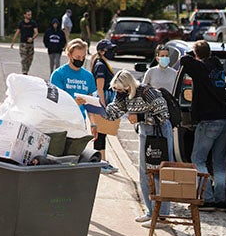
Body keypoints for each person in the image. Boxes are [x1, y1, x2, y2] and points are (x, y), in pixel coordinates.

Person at [98, 69, 172, 224]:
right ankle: (151, 211)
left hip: (160, 133)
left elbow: (164, 116)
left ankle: (161, 215)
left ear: (129, 86)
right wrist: (94, 107)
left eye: (121, 90)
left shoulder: (148, 92)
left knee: (159, 173)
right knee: (144, 172)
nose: (119, 93)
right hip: (145, 131)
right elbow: (114, 112)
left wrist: (140, 117)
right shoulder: (123, 94)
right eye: (117, 90)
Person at [178, 40, 226, 210]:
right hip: (224, 118)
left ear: (196, 54)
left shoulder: (200, 68)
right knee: (219, 161)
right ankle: (220, 200)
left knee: (198, 159)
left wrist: (189, 54)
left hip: (209, 120)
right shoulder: (218, 67)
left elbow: (184, 62)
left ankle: (206, 198)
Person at [88, 39, 118, 173]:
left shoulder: (104, 64)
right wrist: (103, 105)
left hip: (106, 98)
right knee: (100, 133)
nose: (112, 52)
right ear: (101, 51)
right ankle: (99, 163)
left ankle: (103, 160)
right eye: (108, 49)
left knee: (103, 133)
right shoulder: (100, 65)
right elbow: (99, 87)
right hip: (103, 99)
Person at [50, 38, 97, 108]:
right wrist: (73, 103)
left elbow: (93, 96)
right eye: (78, 57)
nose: (81, 60)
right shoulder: (58, 74)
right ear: (69, 55)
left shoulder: (88, 76)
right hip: (63, 117)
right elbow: (55, 100)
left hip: (81, 117)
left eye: (83, 57)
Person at [9, 10, 39, 75]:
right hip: (23, 43)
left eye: (30, 14)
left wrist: (32, 38)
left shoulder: (33, 23)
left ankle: (26, 70)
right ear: (24, 15)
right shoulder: (21, 23)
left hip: (30, 44)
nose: (29, 16)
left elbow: (36, 33)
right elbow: (17, 32)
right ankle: (24, 71)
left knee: (30, 59)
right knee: (24, 58)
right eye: (28, 14)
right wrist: (12, 42)